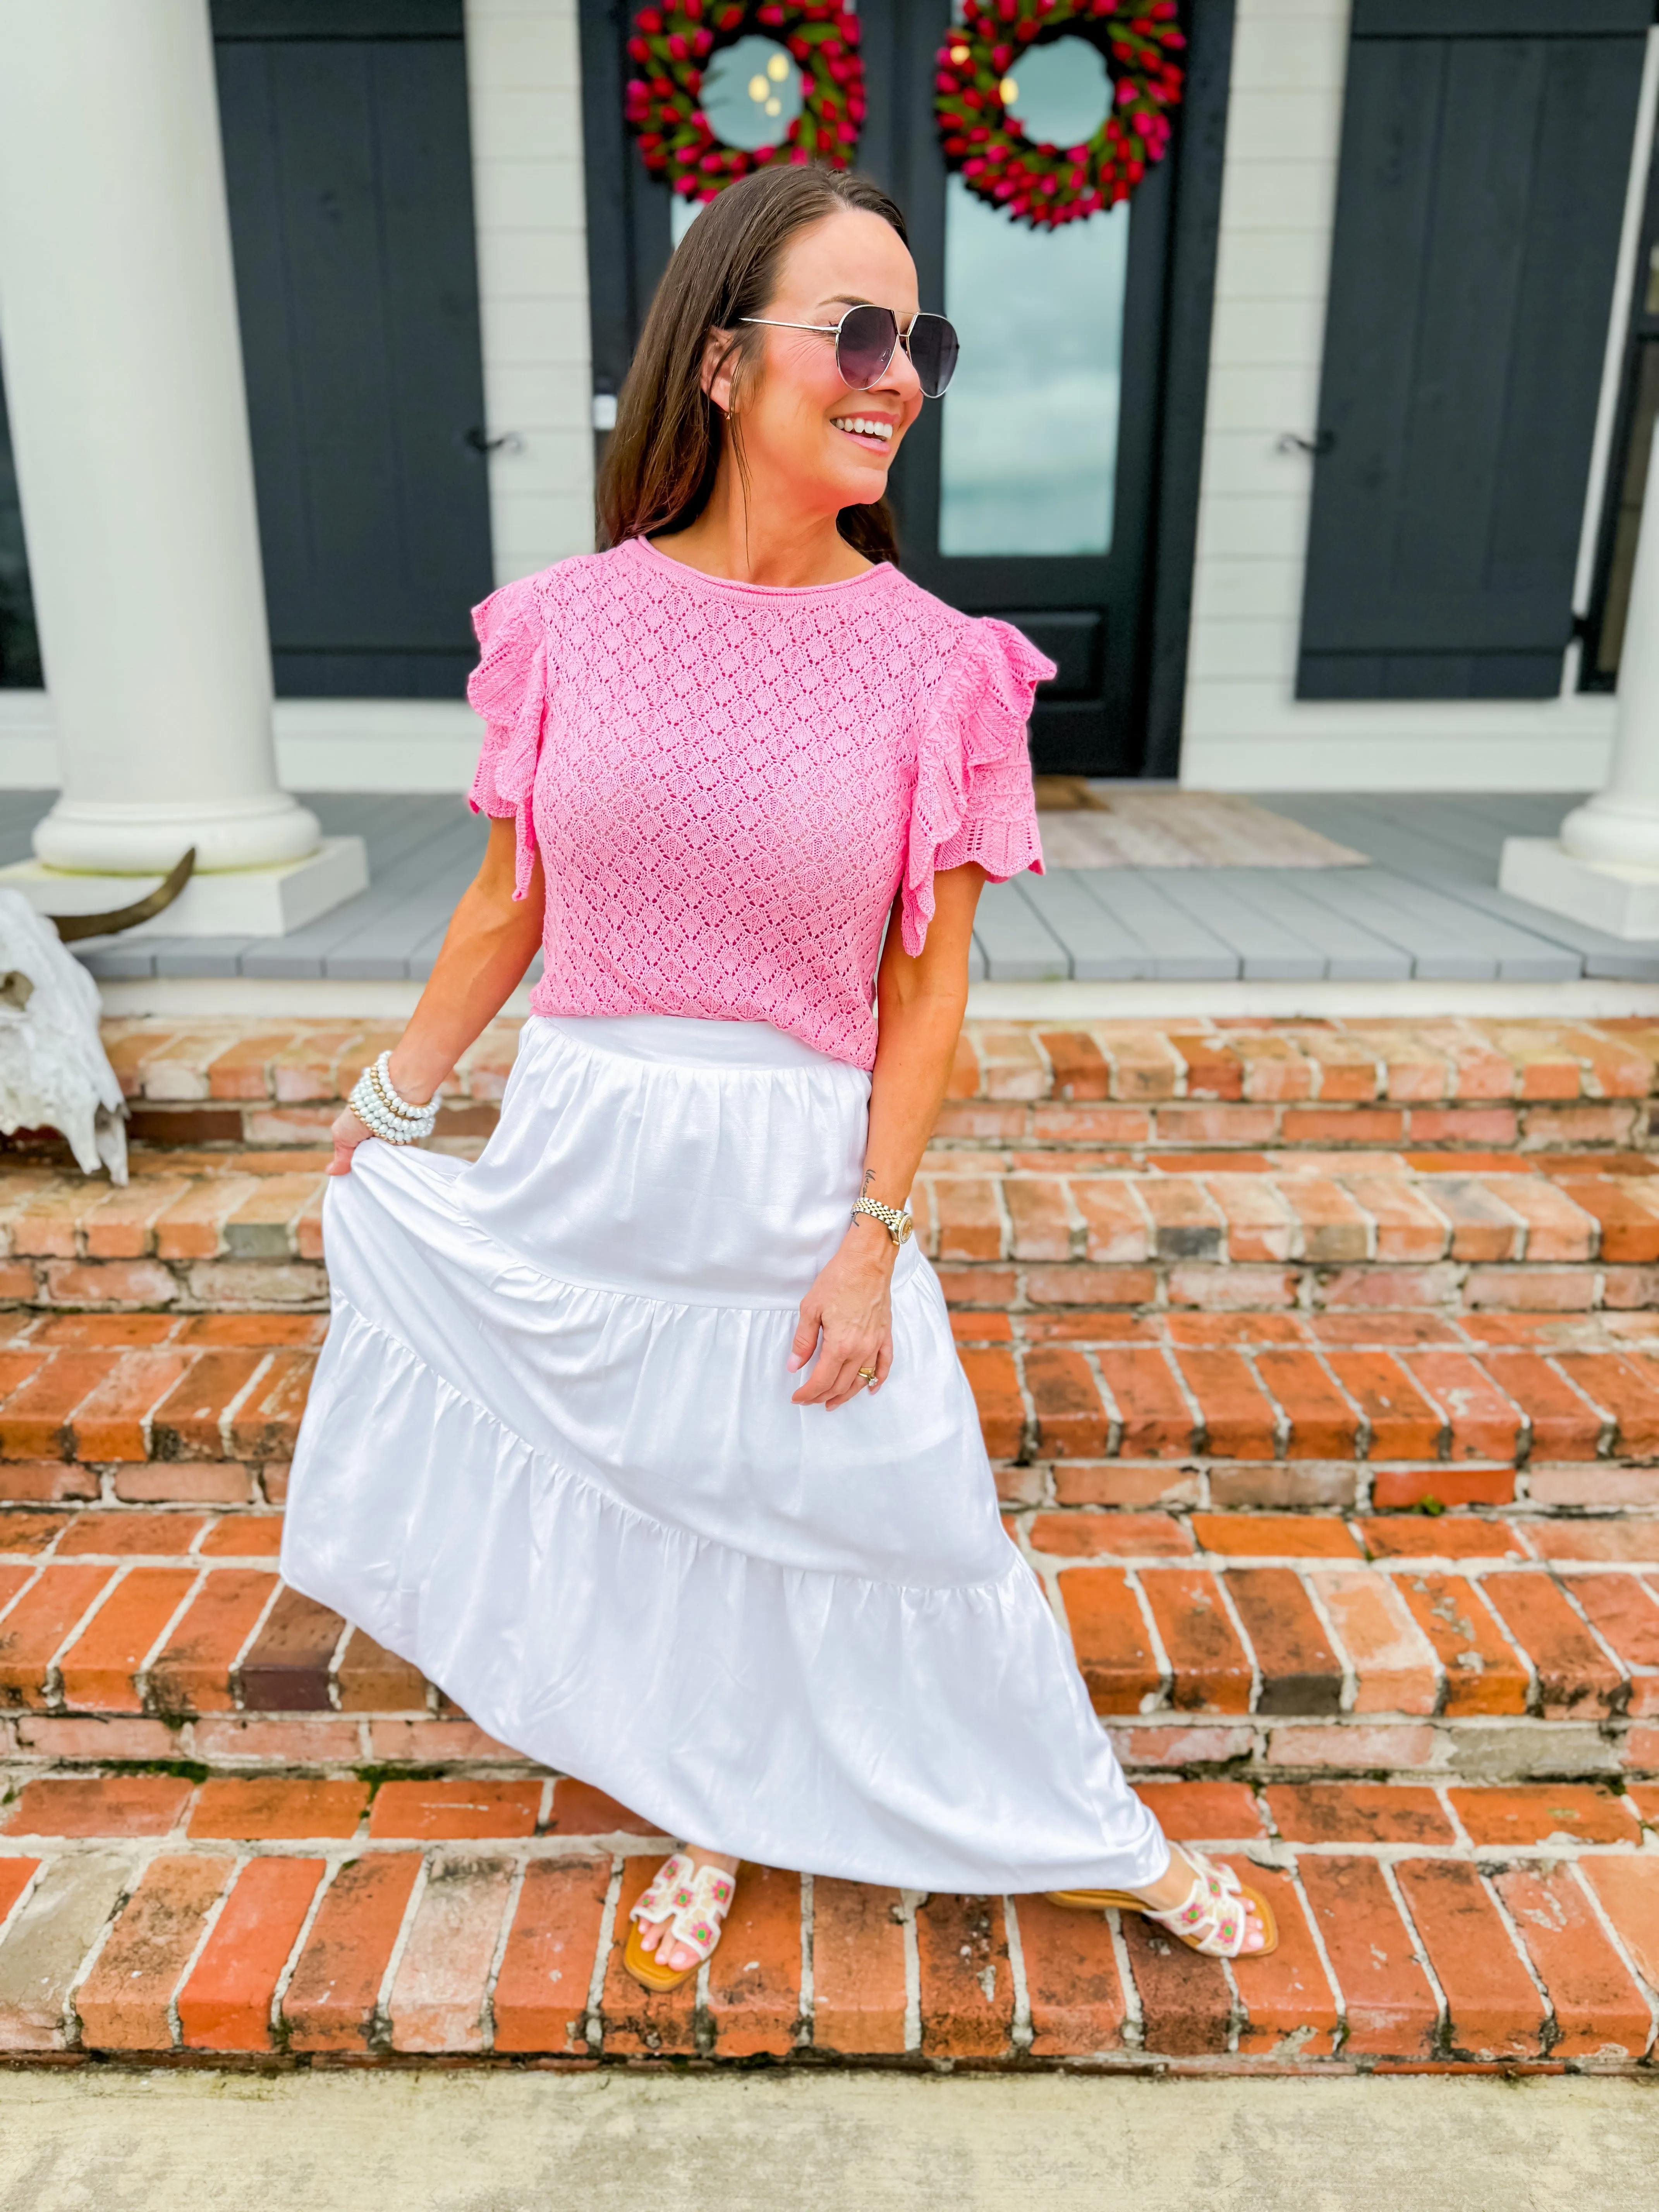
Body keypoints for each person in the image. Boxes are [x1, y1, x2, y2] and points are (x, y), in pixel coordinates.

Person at [280, 164, 1274, 1993]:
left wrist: (874, 1234)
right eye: (859, 331)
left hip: (796, 1161)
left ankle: (1090, 1828)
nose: (898, 374)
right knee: (665, 1502)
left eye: (925, 342)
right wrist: (398, 1100)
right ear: (726, 363)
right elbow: (512, 899)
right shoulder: (566, 621)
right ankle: (709, 1802)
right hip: (586, 1138)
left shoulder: (941, 670)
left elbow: (930, 981)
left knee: (906, 1517)